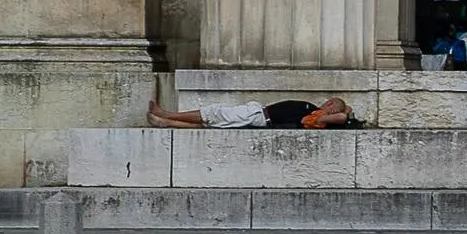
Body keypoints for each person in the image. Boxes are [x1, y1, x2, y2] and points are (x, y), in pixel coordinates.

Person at [148, 94, 358, 130]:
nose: (326, 103)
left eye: (330, 103)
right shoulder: (316, 113)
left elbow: (342, 115)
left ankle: (166, 114)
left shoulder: (318, 118)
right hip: (258, 112)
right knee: (211, 123)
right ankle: (166, 122)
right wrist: (343, 106)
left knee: (213, 113)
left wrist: (341, 109)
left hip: (259, 116)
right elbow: (344, 112)